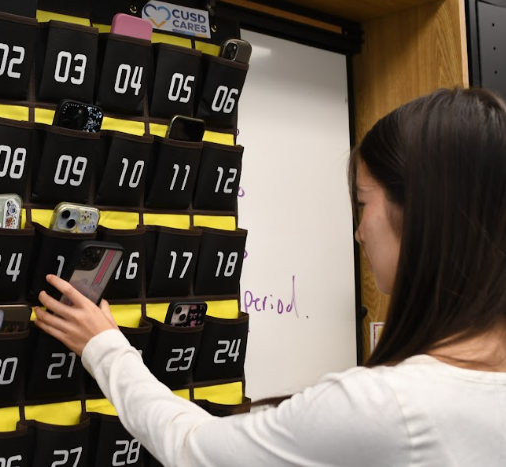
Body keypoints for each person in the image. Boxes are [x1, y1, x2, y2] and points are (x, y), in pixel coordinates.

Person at [34, 88, 506, 466]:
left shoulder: (383, 408)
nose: (359, 231)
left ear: (422, 215)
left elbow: (192, 447)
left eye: (362, 203)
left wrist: (106, 348)